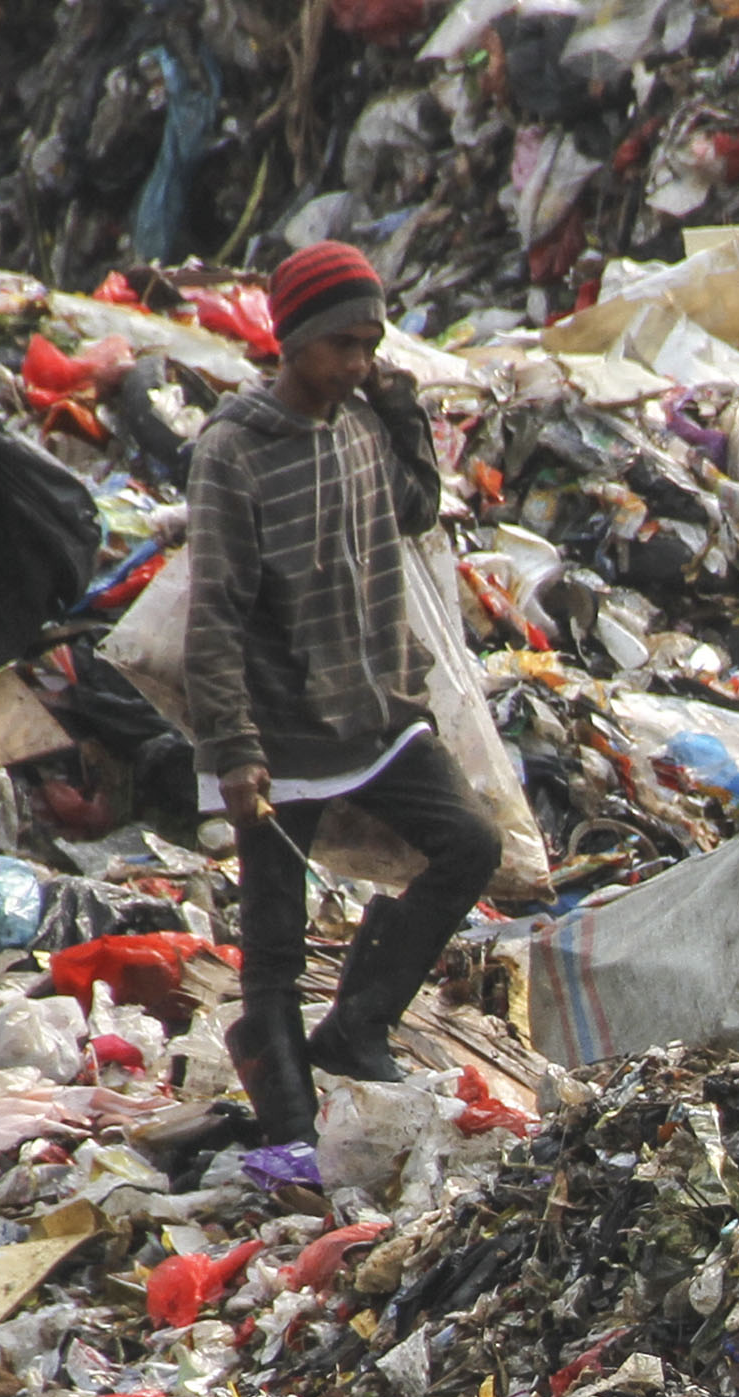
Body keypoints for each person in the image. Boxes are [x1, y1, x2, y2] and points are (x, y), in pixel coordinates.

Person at [182, 239, 497, 1145]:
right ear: (294, 341)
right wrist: (234, 746)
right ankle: (284, 1110)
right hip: (281, 728)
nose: (360, 364)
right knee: (273, 935)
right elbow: (216, 612)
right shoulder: (234, 451)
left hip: (379, 710)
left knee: (468, 846)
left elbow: (415, 508)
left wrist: (401, 412)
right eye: (345, 347)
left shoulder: (359, 424)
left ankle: (358, 1026)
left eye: (372, 345)